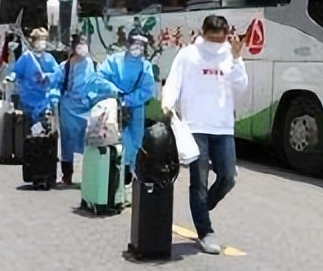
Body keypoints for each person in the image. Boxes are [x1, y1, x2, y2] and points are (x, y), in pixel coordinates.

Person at [160, 14, 249, 255]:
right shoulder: (188, 55)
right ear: (203, 33)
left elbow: (240, 88)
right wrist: (168, 103)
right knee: (198, 181)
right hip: (195, 125)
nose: (216, 43)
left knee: (228, 176)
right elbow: (174, 82)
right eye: (212, 38)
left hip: (222, 126)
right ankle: (205, 230)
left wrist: (237, 58)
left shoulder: (231, 54)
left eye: (221, 38)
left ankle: (201, 209)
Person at [49, 33, 113, 186]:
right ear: (73, 48)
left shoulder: (92, 65)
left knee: (87, 140)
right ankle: (67, 174)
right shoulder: (64, 66)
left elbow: (99, 82)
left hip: (86, 107)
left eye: (85, 45)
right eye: (80, 45)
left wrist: (112, 90)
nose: (83, 49)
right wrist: (53, 99)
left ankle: (88, 173)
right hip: (68, 108)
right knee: (67, 141)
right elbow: (55, 85)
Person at [97, 29, 157, 182]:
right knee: (116, 139)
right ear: (128, 44)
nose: (137, 48)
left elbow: (147, 89)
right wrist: (115, 92)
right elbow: (100, 77)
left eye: (141, 45)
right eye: (134, 44)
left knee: (137, 141)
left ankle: (131, 173)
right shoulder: (114, 61)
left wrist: (129, 100)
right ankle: (118, 173)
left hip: (136, 109)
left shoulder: (146, 67)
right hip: (114, 108)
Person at [11, 27, 60, 130]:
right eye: (39, 39)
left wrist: (46, 77)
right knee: (27, 131)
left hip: (44, 102)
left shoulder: (49, 59)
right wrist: (11, 78)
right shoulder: (26, 58)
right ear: (33, 41)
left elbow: (58, 74)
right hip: (28, 101)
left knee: (44, 132)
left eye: (44, 39)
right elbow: (16, 73)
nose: (42, 42)